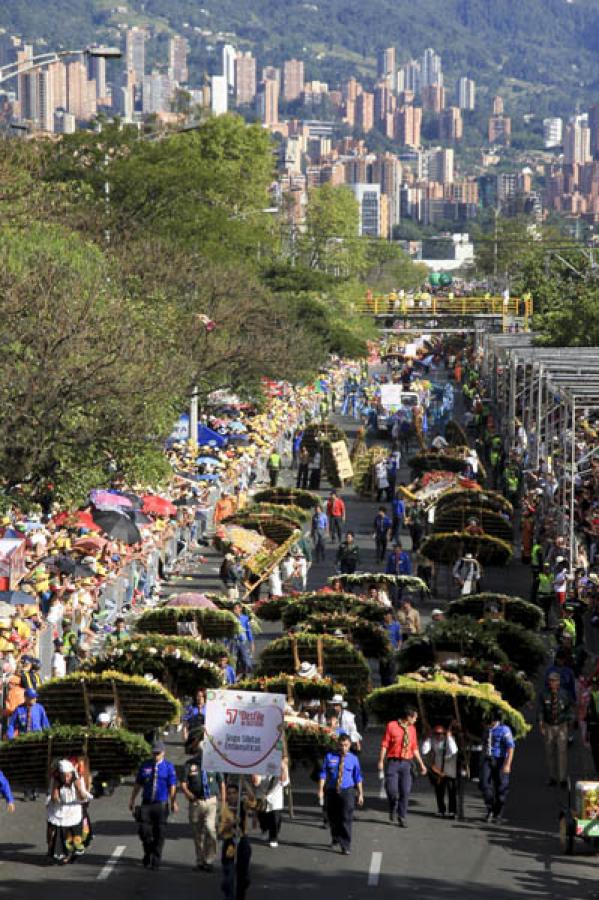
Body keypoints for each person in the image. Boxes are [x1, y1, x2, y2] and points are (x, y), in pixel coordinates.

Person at [129, 740, 178, 870]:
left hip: (161, 804)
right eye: (154, 753)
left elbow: (172, 786)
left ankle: (156, 859)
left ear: (163, 753)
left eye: (158, 753)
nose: (156, 756)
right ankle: (148, 852)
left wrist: (173, 801)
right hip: (147, 803)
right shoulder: (146, 765)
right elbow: (138, 783)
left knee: (159, 833)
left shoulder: (168, 767)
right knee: (144, 831)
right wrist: (132, 799)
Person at [181, 736, 225, 872]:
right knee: (197, 833)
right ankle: (200, 861)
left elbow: (221, 783)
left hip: (211, 801)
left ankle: (209, 860)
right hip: (196, 802)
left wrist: (224, 803)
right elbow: (183, 783)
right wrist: (189, 795)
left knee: (210, 829)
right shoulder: (190, 764)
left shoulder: (215, 764)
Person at [378, 705, 427, 827]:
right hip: (393, 762)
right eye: (415, 717)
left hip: (407, 763)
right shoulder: (392, 726)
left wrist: (421, 764)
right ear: (408, 717)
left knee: (405, 791)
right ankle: (392, 805)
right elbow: (385, 744)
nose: (416, 720)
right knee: (392, 791)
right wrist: (380, 760)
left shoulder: (412, 729)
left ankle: (402, 816)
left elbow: (414, 748)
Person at [318, 733, 364, 855]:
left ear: (349, 745)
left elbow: (358, 777)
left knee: (346, 817)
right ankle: (335, 837)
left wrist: (360, 794)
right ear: (338, 744)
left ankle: (346, 844)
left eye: (346, 745)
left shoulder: (353, 759)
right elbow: (323, 774)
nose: (343, 747)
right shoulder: (329, 757)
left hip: (347, 791)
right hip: (332, 791)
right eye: (341, 745)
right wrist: (320, 791)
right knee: (332, 817)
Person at [47, 759, 93, 864]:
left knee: (76, 834)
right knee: (59, 832)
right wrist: (56, 791)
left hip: (75, 810)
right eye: (64, 776)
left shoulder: (77, 780)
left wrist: (80, 790)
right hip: (60, 810)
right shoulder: (56, 780)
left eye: (68, 775)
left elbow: (83, 797)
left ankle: (74, 851)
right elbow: (54, 799)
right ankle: (62, 852)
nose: (67, 778)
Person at [537, 672, 574, 787]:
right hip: (549, 725)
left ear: (559, 682)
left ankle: (562, 778)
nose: (552, 683)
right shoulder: (544, 694)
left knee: (562, 752)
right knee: (550, 752)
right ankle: (552, 777)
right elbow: (541, 710)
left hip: (561, 725)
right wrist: (541, 723)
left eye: (554, 681)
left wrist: (570, 721)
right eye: (550, 681)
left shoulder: (564, 694)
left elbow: (569, 709)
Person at [219, 780, 252, 900]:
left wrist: (245, 784)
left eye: (234, 793)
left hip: (242, 842)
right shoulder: (224, 810)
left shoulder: (243, 805)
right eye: (229, 793)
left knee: (244, 877)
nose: (232, 795)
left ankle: (240, 895)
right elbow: (221, 831)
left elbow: (253, 800)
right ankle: (228, 892)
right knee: (229, 874)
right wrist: (232, 823)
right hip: (230, 844)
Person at [480, 712, 515, 823]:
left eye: (490, 723)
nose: (489, 725)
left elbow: (510, 748)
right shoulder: (486, 729)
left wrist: (507, 764)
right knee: (485, 784)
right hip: (488, 759)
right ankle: (490, 808)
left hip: (500, 760)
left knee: (501, 787)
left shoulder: (505, 730)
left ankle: (498, 812)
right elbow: (483, 741)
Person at [250, 756, 289, 848]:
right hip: (262, 795)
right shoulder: (260, 765)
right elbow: (256, 782)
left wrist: (283, 768)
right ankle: (264, 830)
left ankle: (273, 838)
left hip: (275, 797)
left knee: (275, 819)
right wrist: (253, 770)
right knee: (262, 816)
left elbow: (284, 782)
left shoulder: (282, 766)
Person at [421, 724, 459, 818]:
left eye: (441, 734)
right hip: (438, 768)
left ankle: (452, 811)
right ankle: (441, 810)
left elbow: (454, 750)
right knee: (439, 790)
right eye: (436, 734)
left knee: (451, 790)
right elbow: (424, 751)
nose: (439, 736)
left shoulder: (449, 739)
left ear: (444, 733)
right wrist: (428, 738)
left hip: (450, 768)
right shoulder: (432, 740)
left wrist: (449, 737)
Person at [231, 602, 254, 676]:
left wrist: (252, 643)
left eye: (236, 608)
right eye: (234, 609)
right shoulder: (231, 618)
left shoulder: (245, 619)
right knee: (233, 660)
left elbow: (248, 631)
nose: (235, 610)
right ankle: (235, 676)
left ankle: (247, 675)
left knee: (246, 659)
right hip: (234, 642)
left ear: (240, 609)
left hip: (243, 642)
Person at [380, 610, 402, 686]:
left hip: (393, 650)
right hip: (383, 651)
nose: (384, 617)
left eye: (386, 615)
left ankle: (391, 684)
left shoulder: (396, 625)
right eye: (384, 615)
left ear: (390, 615)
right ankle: (384, 684)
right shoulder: (381, 626)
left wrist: (398, 648)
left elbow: (399, 638)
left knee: (392, 669)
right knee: (383, 669)